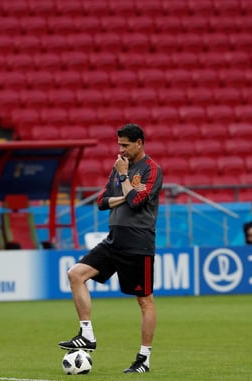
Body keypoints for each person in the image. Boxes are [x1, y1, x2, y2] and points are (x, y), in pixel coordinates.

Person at [58, 123, 163, 373]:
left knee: (144, 301)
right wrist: (124, 192)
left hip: (138, 242)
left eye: (125, 144)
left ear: (139, 143)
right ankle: (86, 335)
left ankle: (143, 359)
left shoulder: (151, 169)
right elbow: (102, 201)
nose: (121, 149)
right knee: (76, 274)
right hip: (114, 238)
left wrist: (125, 179)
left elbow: (136, 202)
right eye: (119, 144)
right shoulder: (118, 167)